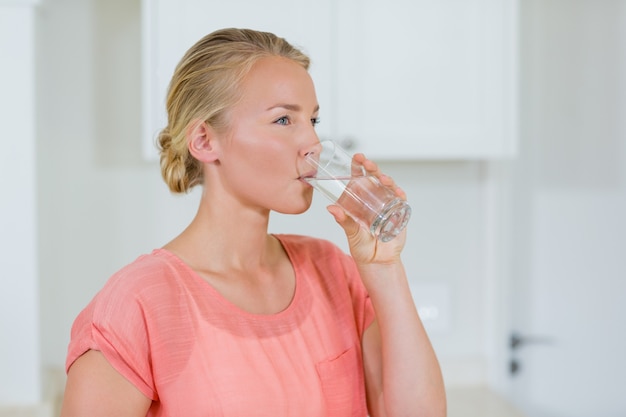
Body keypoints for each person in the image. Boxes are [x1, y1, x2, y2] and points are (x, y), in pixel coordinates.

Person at [60, 28, 446, 417]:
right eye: (283, 120)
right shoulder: (138, 304)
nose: (313, 141)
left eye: (312, 119)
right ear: (205, 141)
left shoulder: (333, 271)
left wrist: (384, 267)